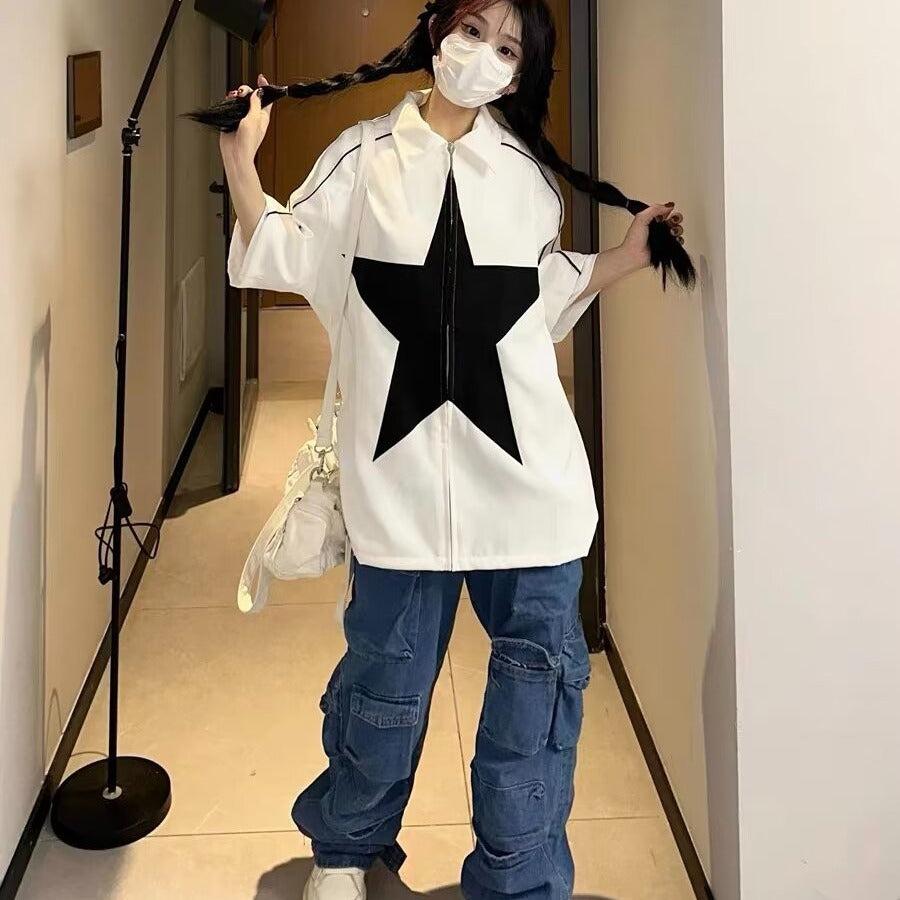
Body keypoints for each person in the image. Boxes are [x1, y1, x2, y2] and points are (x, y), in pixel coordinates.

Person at [219, 2, 687, 897]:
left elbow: (536, 297)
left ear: (520, 72)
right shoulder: (361, 156)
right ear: (438, 29)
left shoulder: (529, 179)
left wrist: (625, 259)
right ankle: (345, 852)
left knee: (533, 711)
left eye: (508, 48)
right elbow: (283, 251)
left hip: (531, 495)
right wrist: (241, 159)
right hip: (397, 493)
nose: (483, 57)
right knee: (382, 691)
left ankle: (518, 880)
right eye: (473, 31)